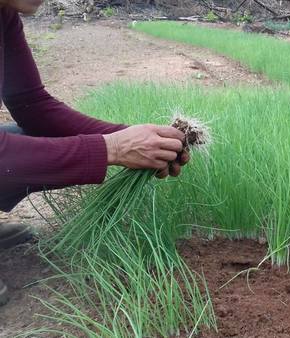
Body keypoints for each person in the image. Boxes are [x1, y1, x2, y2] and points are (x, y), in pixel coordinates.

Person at [0, 0, 190, 305]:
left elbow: (32, 106)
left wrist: (131, 138)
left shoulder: (5, 14)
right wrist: (113, 148)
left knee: (28, 139)